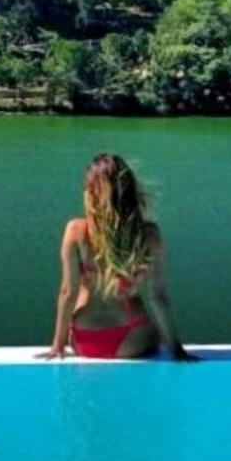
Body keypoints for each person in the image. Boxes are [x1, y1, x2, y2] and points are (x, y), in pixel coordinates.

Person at [38, 153, 198, 361]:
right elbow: (157, 296)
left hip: (85, 337)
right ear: (130, 191)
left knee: (85, 287)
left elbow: (68, 292)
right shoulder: (148, 235)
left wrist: (57, 345)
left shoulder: (76, 231)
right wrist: (176, 349)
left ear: (90, 193)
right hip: (133, 338)